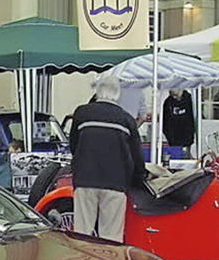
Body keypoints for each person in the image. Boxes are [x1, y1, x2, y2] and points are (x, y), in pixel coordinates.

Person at [69, 75, 145, 243]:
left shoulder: (82, 113)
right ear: (118, 93)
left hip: (85, 180)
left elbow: (73, 146)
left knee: (82, 234)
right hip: (115, 183)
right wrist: (139, 178)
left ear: (97, 92)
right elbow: (136, 156)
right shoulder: (126, 119)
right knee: (111, 237)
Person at [162, 89, 195, 157]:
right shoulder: (168, 103)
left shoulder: (190, 100)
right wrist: (170, 138)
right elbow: (165, 123)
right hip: (174, 141)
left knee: (184, 157)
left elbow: (193, 119)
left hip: (186, 140)